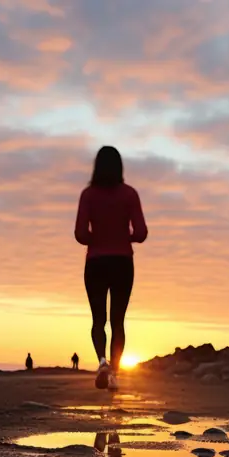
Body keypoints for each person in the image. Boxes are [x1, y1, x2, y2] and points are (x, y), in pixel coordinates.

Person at [74, 146, 148, 391]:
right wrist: (122, 234)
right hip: (122, 263)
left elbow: (81, 234)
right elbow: (141, 233)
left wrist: (99, 235)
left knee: (98, 320)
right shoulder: (129, 194)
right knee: (118, 321)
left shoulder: (88, 195)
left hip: (95, 262)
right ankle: (115, 371)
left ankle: (102, 362)